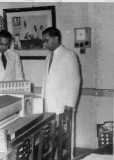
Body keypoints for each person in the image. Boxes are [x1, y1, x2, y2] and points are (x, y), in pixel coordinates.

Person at [41, 27, 81, 158]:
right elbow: (46, 82)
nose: (44, 44)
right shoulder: (49, 56)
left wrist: (68, 110)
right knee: (50, 143)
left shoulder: (69, 55)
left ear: (56, 39)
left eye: (46, 40)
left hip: (63, 109)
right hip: (49, 108)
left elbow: (75, 83)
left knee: (64, 144)